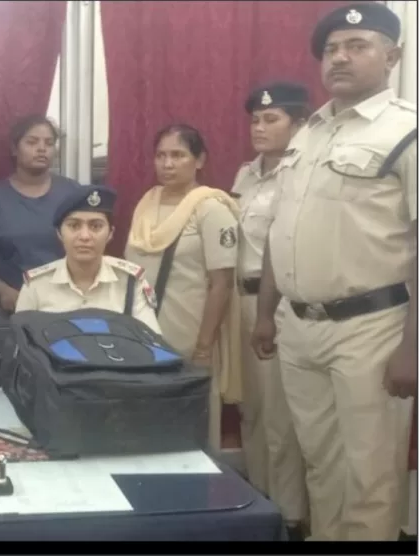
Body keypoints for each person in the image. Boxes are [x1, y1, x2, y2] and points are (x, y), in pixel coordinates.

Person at [252, 2, 416, 541]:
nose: (340, 57)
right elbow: (281, 229)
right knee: (321, 466)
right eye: (331, 50)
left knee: (370, 476)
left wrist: (413, 347)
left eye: (357, 46)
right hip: (300, 328)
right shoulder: (309, 133)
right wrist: (267, 313)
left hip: (372, 328)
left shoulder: (407, 131)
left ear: (392, 56)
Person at [125, 124, 243, 451]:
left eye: (178, 155)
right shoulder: (146, 204)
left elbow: (222, 283)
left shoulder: (211, 209)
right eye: (161, 155)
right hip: (142, 339)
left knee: (190, 433)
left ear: (199, 160)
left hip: (188, 338)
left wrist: (203, 347)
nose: (168, 164)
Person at [231, 82, 311, 539]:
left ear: (298, 124)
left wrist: (267, 312)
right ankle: (258, 505)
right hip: (240, 301)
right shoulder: (247, 174)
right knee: (253, 411)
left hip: (277, 305)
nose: (259, 128)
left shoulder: (303, 174)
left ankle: (289, 516)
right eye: (255, 120)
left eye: (271, 119)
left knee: (281, 417)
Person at [0, 115, 81, 317]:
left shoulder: (73, 194)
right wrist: (3, 291)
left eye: (49, 143)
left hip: (68, 306)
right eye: (32, 142)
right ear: (14, 149)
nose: (42, 148)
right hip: (10, 310)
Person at [15, 185, 161, 334]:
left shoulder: (131, 282)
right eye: (74, 226)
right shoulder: (36, 285)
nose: (85, 236)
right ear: (59, 233)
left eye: (96, 226)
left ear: (110, 233)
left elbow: (151, 341)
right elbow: (22, 342)